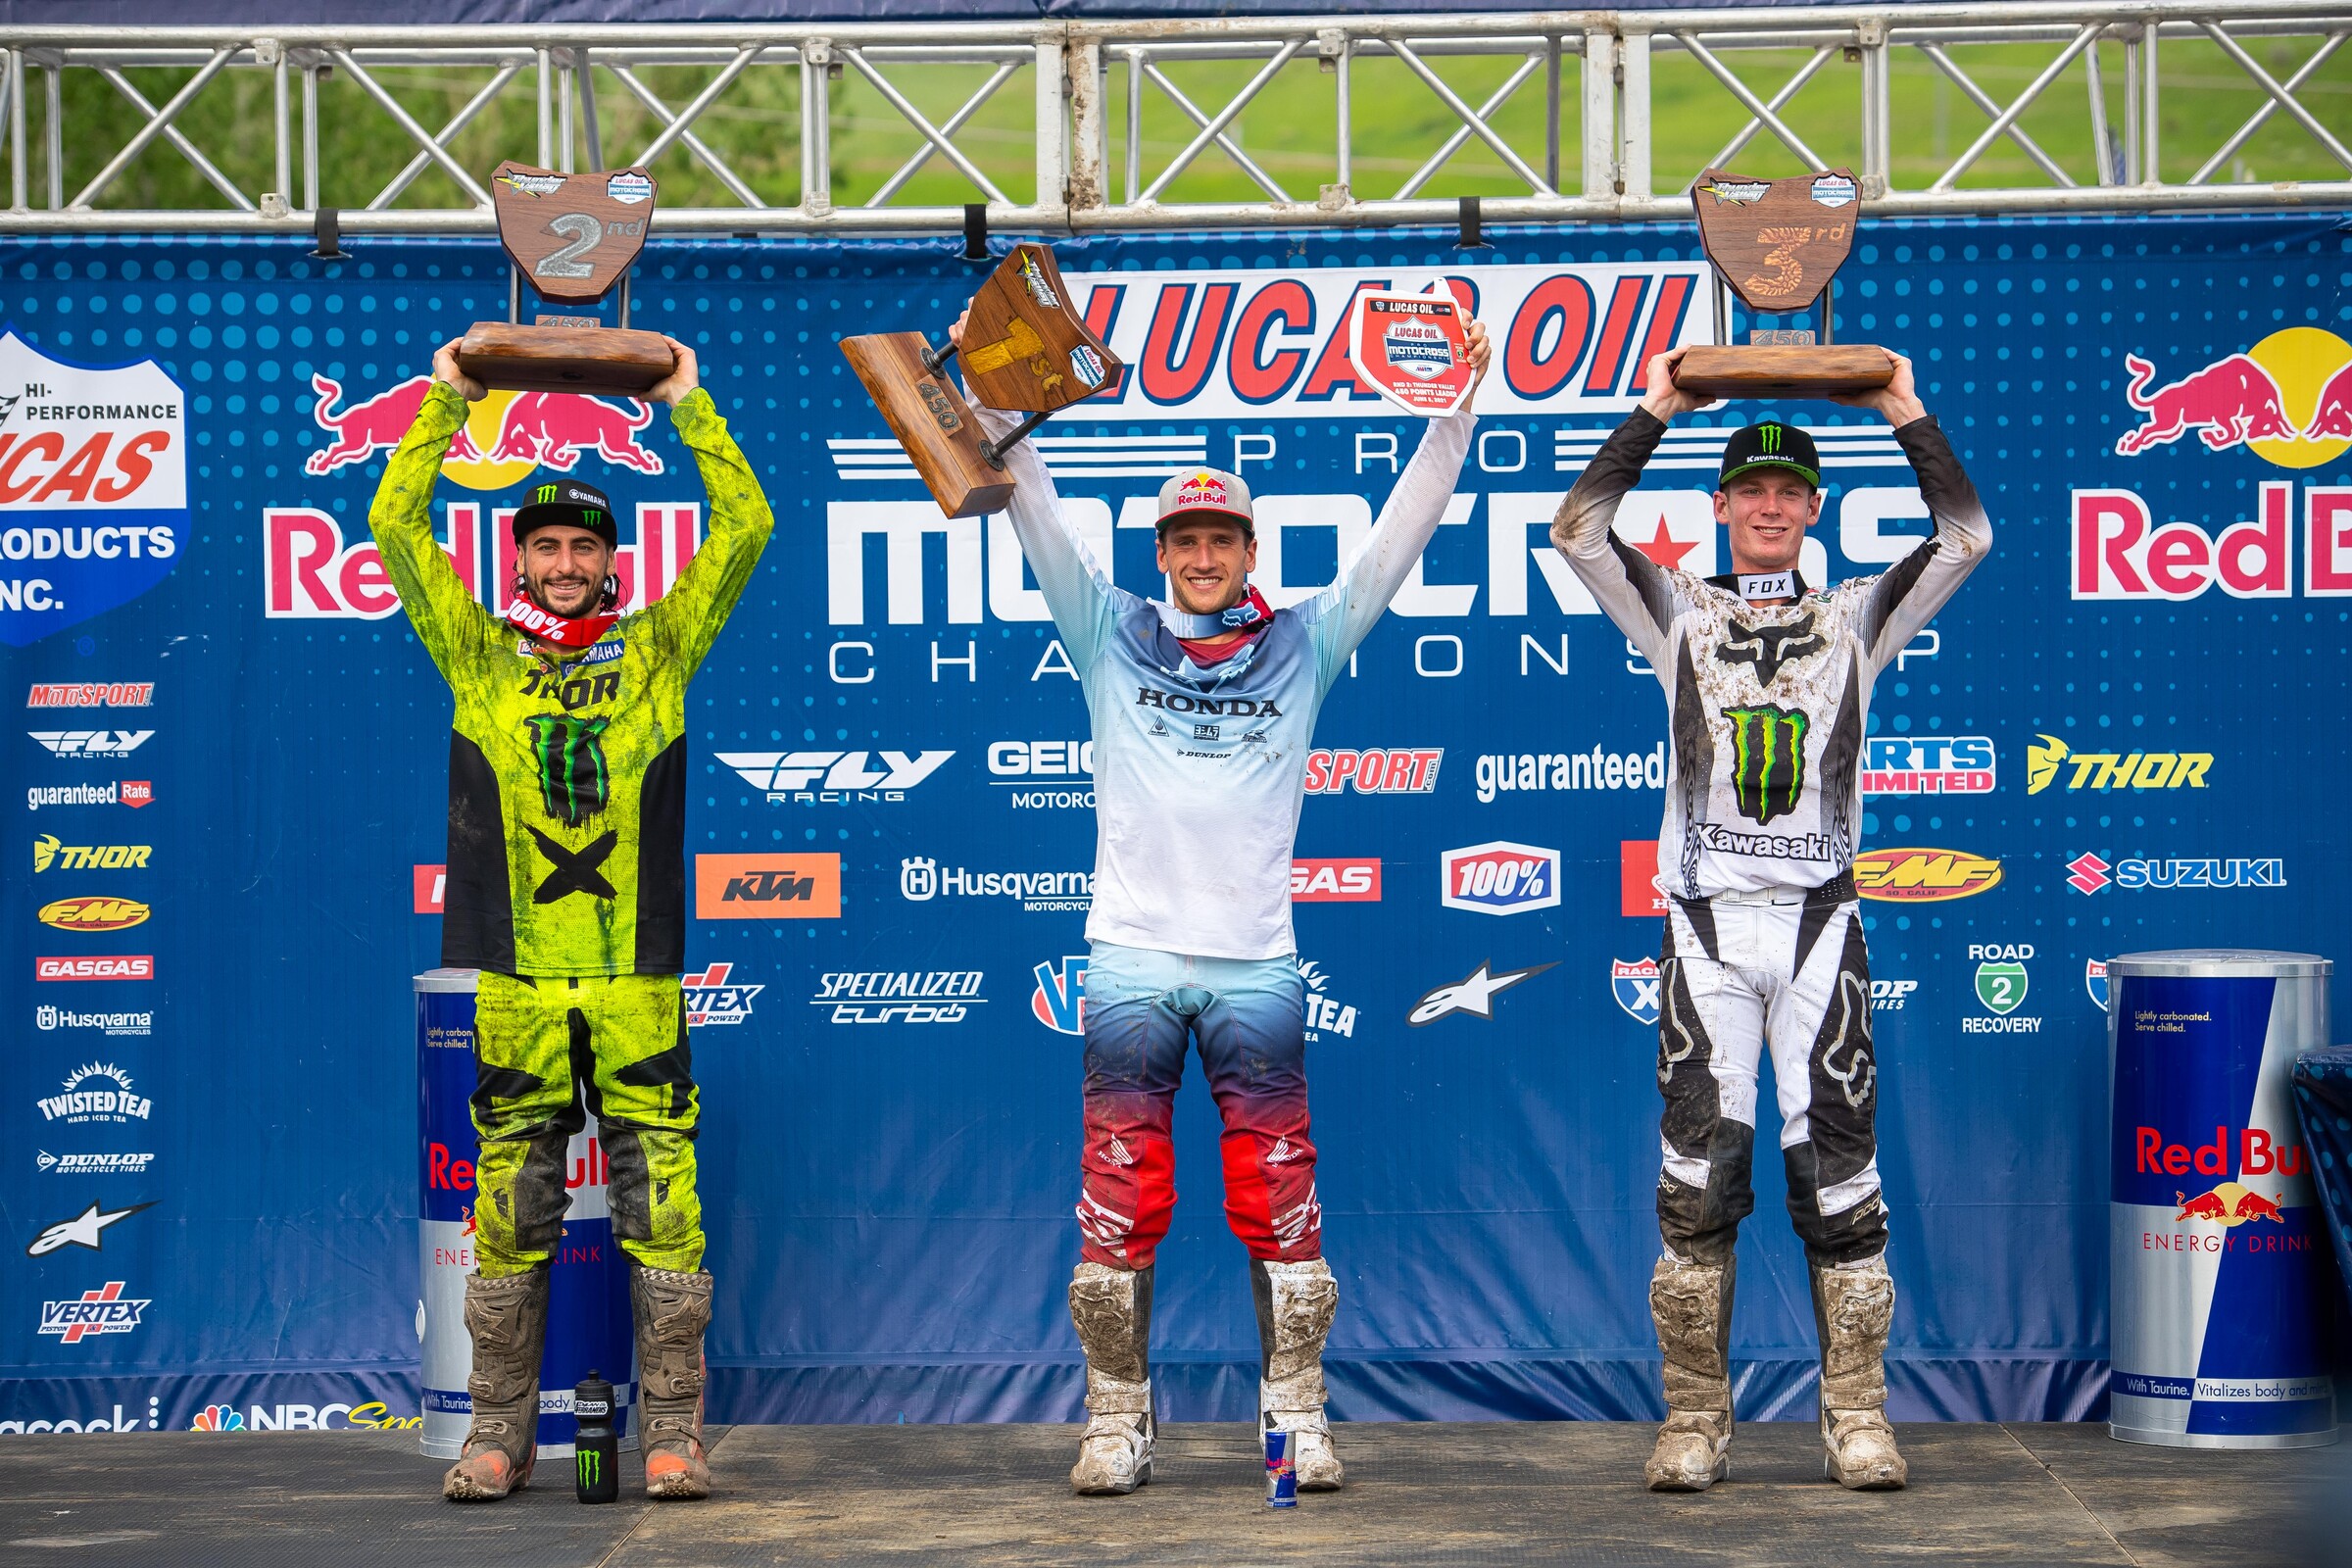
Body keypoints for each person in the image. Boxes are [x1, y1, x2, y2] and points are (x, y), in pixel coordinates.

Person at [953, 304, 1489, 1495]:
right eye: (1186, 541)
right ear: (1162, 554)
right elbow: (1029, 504)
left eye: (1223, 541)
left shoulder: (1309, 642)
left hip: (1256, 964)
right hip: (1131, 958)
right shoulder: (1108, 634)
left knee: (1281, 1205)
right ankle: (1117, 1420)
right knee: (1116, 1202)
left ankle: (1296, 1420)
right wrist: (995, 393)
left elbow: (1400, 539)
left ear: (1251, 552)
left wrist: (1454, 412)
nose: (1204, 558)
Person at [1552, 351, 1990, 1493]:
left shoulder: (1857, 617)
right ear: (1722, 506)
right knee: (1696, 1178)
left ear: (1812, 509)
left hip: (1818, 928)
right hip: (1703, 926)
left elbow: (1965, 541)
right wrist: (1660, 406)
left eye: (1789, 490)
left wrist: (1904, 406)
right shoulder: (1676, 612)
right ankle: (1695, 1419)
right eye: (1749, 488)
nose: (1768, 504)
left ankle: (1855, 1414)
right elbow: (1578, 534)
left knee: (1840, 1179)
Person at [369, 336, 774, 1502]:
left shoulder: (661, 646)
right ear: (519, 558)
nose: (560, 561)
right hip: (513, 978)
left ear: (611, 560)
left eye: (581, 544)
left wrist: (692, 403)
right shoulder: (476, 654)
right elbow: (398, 528)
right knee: (509, 1205)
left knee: (666, 1210)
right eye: (542, 544)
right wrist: (448, 397)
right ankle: (501, 1435)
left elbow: (745, 529)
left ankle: (676, 1436)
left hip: (637, 974)